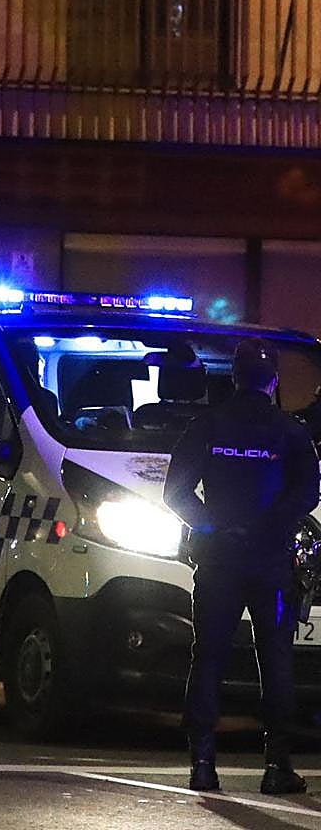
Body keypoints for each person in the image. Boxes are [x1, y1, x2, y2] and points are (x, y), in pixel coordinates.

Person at [164, 338, 320, 795]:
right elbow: (308, 493)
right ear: (272, 380)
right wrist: (266, 524)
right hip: (270, 562)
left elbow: (175, 492)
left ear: (234, 377)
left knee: (208, 656)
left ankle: (204, 764)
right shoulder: (289, 432)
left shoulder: (207, 425)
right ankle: (276, 767)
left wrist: (215, 526)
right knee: (274, 660)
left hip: (217, 563)